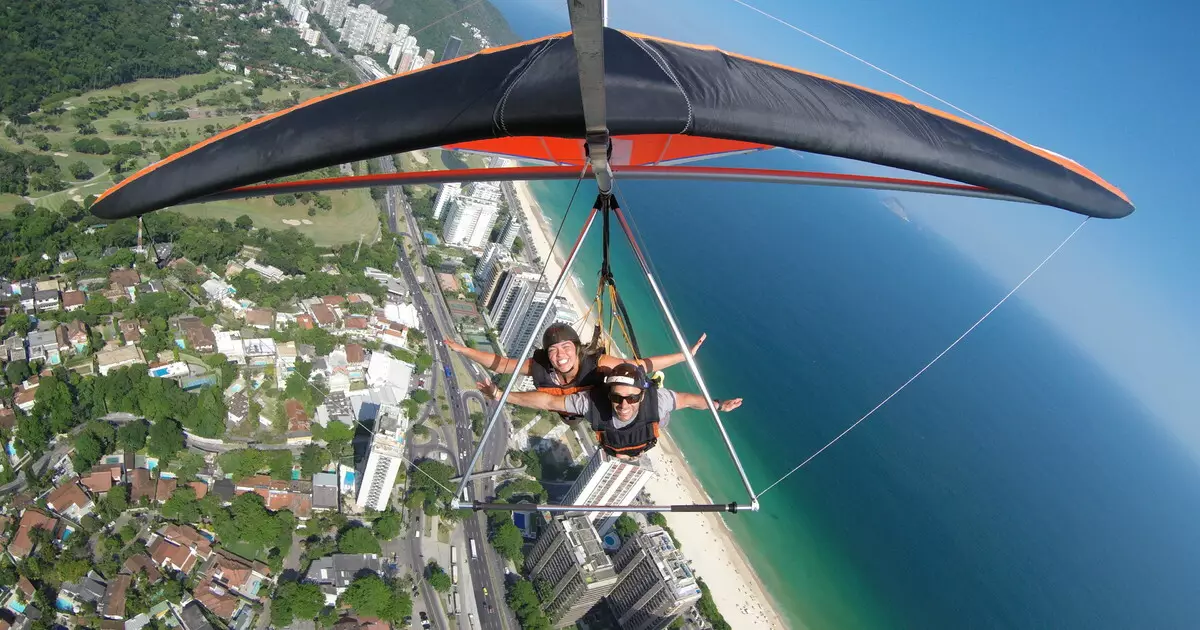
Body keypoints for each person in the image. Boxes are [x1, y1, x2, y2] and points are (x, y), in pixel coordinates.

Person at [478, 362, 742, 458]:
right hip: (619, 446)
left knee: (661, 409)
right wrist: (501, 395)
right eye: (617, 398)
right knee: (624, 451)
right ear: (608, 395)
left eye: (632, 398)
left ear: (642, 394)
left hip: (650, 428)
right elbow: (547, 401)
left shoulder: (655, 401)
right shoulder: (592, 403)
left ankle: (653, 380)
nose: (624, 405)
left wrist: (718, 405)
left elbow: (688, 400)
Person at [446, 322, 705, 420]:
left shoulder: (597, 362)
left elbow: (639, 364)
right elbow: (502, 364)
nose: (561, 356)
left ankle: (652, 385)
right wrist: (464, 350)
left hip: (601, 400)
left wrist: (685, 356)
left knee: (641, 391)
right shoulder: (542, 369)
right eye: (553, 350)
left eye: (566, 347)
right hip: (572, 408)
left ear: (576, 348)